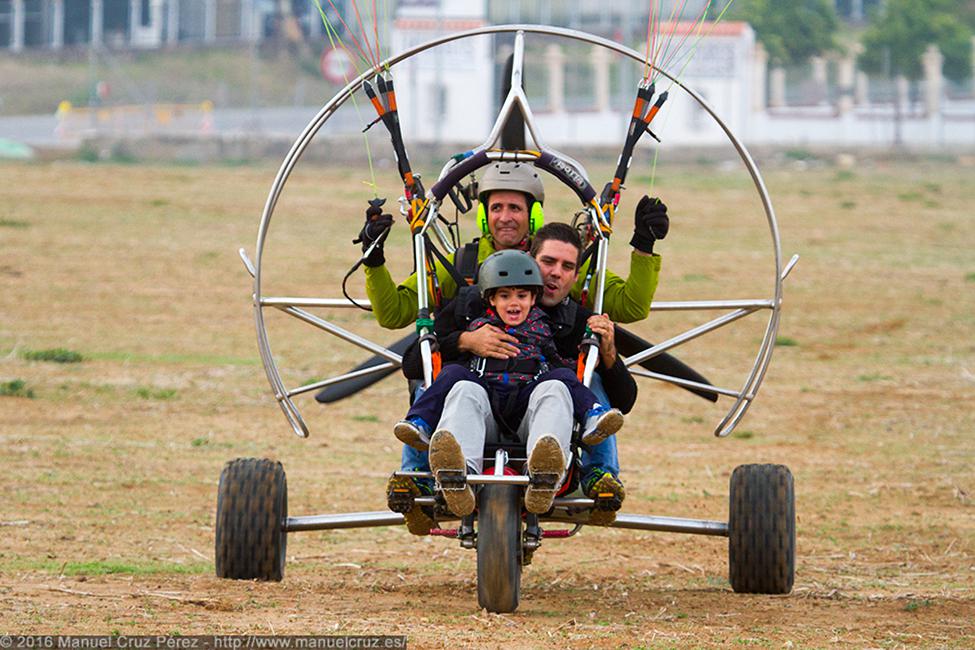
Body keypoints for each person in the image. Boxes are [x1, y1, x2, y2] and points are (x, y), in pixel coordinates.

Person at [390, 223, 640, 532]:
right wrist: (464, 341)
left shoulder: (575, 319)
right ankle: (443, 477)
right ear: (529, 259)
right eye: (548, 262)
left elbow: (625, 399)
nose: (556, 273)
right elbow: (413, 364)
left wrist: (608, 353)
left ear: (576, 276)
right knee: (449, 381)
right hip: (481, 408)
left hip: (532, 411)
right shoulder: (471, 306)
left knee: (565, 382)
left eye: (567, 267)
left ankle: (560, 475)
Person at [356, 161, 668, 330]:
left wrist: (643, 244)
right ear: (483, 214)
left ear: (534, 215)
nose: (505, 218)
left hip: (548, 379)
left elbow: (631, 307)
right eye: (496, 208)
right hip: (474, 379)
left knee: (597, 404)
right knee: (423, 400)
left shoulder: (558, 262)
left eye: (515, 208)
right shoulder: (463, 263)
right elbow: (393, 314)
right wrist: (374, 259)